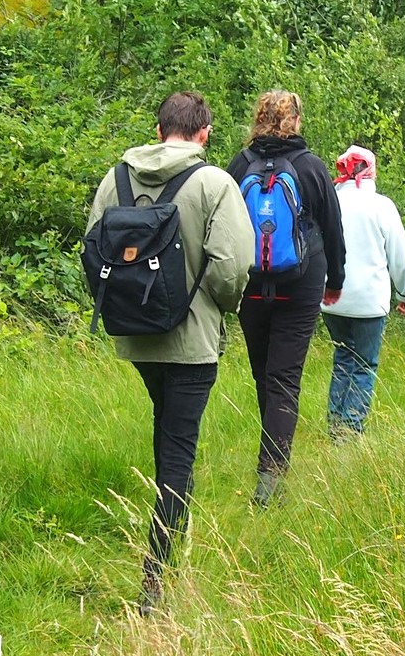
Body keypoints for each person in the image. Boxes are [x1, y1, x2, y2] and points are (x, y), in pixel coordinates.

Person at [85, 92, 253, 614]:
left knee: (168, 432)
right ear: (204, 133)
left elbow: (92, 252)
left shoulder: (116, 178)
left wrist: (127, 307)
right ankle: (156, 579)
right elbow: (231, 268)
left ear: (159, 130)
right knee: (178, 451)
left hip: (136, 338)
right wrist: (218, 308)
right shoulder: (214, 183)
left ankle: (170, 526)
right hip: (193, 341)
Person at [227, 90, 346, 508]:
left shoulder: (240, 165)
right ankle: (271, 475)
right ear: (294, 120)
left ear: (258, 119)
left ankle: (269, 460)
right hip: (301, 283)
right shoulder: (311, 166)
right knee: (284, 377)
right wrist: (336, 279)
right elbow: (333, 229)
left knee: (264, 373)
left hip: (252, 285)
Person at [321, 146, 405, 440]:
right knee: (364, 364)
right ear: (370, 170)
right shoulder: (381, 205)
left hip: (331, 300)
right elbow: (399, 255)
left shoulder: (330, 201)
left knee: (343, 357)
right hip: (369, 303)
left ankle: (335, 421)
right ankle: (351, 426)